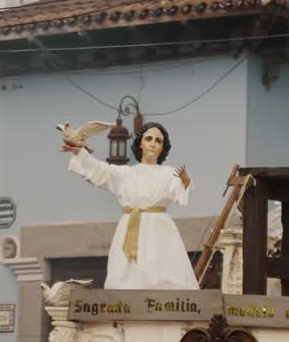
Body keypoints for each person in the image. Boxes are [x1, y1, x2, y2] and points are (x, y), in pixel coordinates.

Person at [60, 122, 199, 290]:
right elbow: (101, 170)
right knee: (126, 274)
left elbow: (182, 190)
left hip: (159, 229)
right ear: (140, 143)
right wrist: (79, 152)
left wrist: (185, 180)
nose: (153, 144)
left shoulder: (169, 173)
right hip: (130, 227)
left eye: (158, 141)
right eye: (149, 139)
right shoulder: (126, 173)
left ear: (163, 147)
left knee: (162, 273)